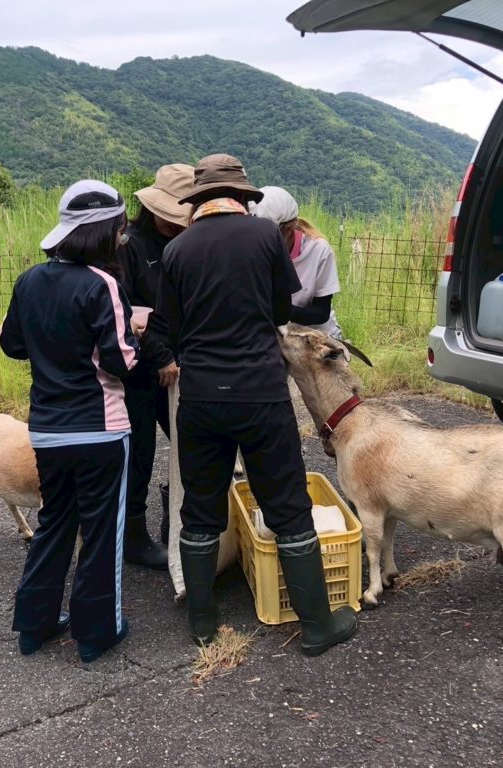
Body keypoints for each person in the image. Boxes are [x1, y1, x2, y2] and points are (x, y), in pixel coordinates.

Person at [157, 154, 358, 657]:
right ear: (242, 197)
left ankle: (202, 624)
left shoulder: (177, 250)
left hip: (201, 396)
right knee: (286, 504)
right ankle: (316, 625)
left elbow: (170, 328)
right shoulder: (267, 238)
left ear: (197, 200)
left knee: (200, 507)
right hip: (260, 393)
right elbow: (277, 311)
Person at [0, 179, 138, 663]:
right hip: (101, 428)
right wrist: (136, 334)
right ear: (104, 232)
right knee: (101, 528)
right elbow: (121, 360)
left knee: (54, 521)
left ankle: (33, 625)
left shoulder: (29, 280)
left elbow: (12, 344)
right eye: (120, 229)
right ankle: (98, 631)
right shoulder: (104, 284)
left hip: (46, 428)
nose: (123, 237)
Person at [114, 164, 195, 569]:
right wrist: (158, 353)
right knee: (140, 449)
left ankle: (183, 525)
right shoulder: (130, 244)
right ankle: (133, 538)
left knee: (191, 445)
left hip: (180, 365)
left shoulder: (187, 242)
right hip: (139, 368)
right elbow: (122, 310)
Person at [251, 186, 345, 340]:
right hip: (276, 335)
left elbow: (321, 313)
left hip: (316, 336)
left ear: (287, 230)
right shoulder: (253, 251)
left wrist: (276, 311)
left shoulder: (318, 250)